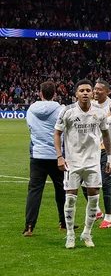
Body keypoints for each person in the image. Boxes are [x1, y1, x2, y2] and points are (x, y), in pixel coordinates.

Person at [54, 79, 111, 249]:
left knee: (94, 198)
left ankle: (87, 233)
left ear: (92, 93)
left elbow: (106, 135)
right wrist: (59, 156)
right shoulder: (68, 111)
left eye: (88, 90)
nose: (86, 93)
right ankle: (70, 234)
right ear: (76, 94)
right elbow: (57, 134)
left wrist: (109, 158)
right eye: (82, 90)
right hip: (72, 161)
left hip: (93, 162)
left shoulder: (100, 112)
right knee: (70, 199)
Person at [24, 81, 65, 236]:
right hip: (57, 155)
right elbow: (64, 131)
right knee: (61, 190)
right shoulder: (61, 110)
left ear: (40, 93)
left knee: (34, 191)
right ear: (55, 94)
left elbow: (30, 127)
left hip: (38, 155)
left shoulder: (31, 109)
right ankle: (64, 223)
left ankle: (29, 226)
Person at [90, 79, 111, 229]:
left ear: (107, 92)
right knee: (85, 180)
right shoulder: (90, 104)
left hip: (108, 148)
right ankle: (97, 211)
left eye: (99, 89)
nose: (95, 92)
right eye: (95, 89)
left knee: (106, 182)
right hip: (91, 147)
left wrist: (102, 121)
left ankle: (108, 217)